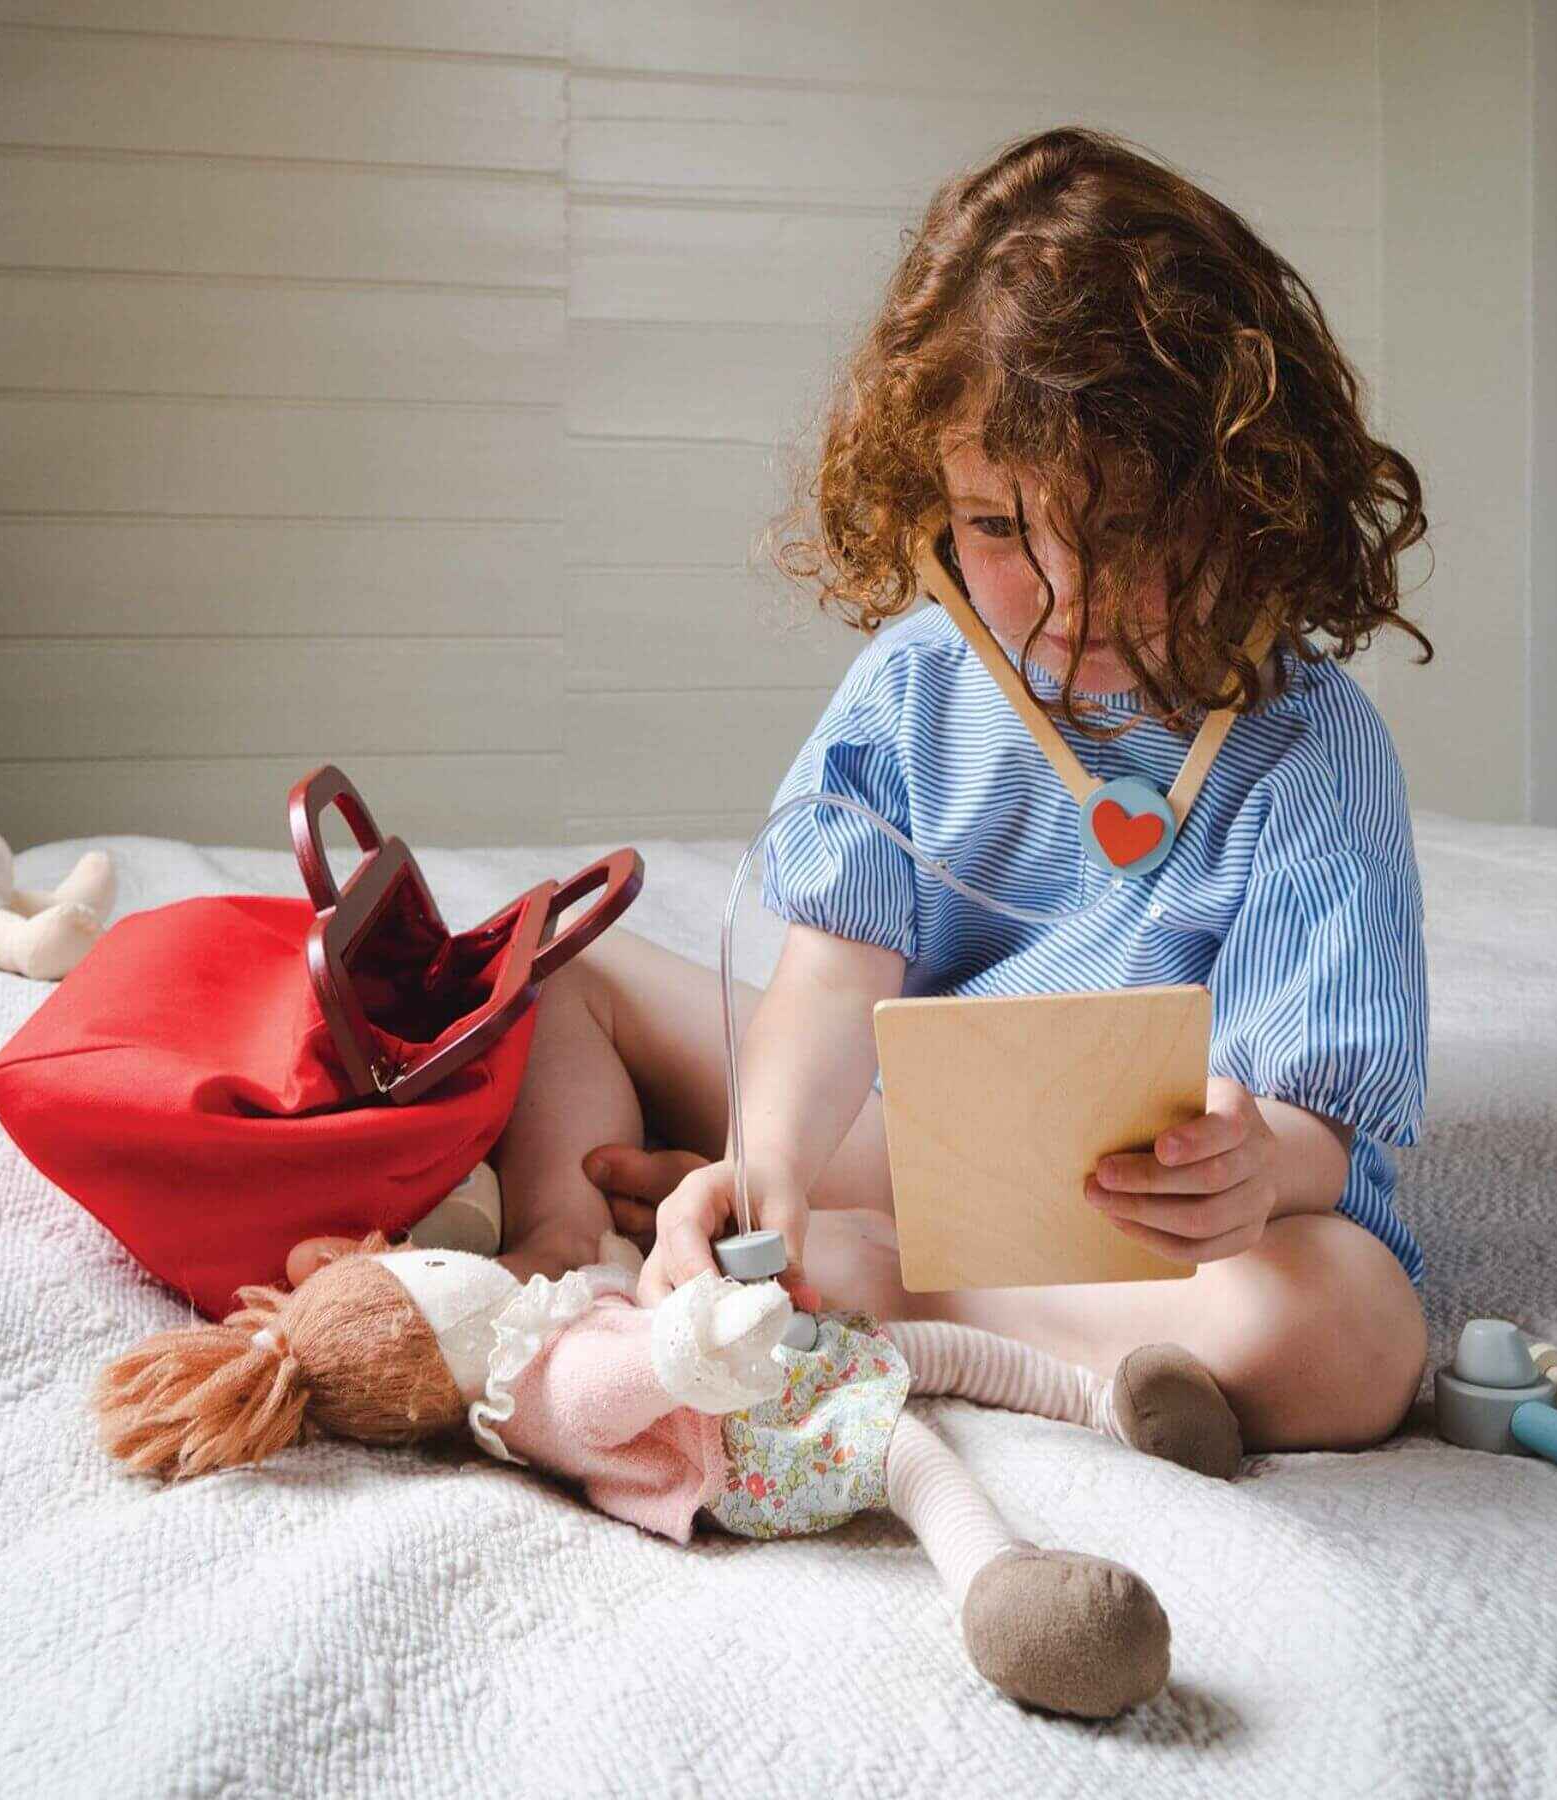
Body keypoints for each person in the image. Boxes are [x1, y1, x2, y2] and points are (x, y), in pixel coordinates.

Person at [295, 125, 1435, 1455]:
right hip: (892, 1140)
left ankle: (888, 1282)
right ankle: (576, 1257)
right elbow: (831, 985)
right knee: (555, 965)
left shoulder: (1312, 751)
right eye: (1000, 528)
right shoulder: (912, 691)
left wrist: (1264, 1167)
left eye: (1120, 528)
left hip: (1138, 1218)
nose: (1064, 595)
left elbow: (1327, 1128)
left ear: (1247, 495)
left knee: (1348, 1339)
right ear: (930, 496)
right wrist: (771, 1161)